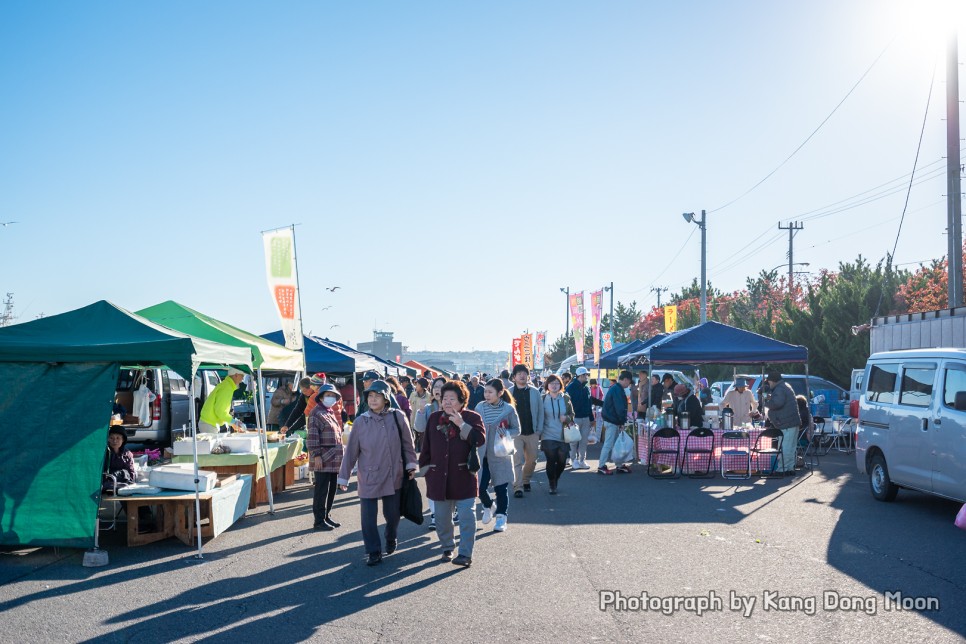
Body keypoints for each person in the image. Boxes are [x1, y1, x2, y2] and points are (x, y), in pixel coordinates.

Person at [338, 381, 418, 566]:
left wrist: (411, 465)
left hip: (393, 473)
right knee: (368, 518)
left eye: (377, 396)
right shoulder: (360, 421)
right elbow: (351, 452)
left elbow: (408, 444)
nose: (373, 400)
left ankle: (391, 537)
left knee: (392, 515)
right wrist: (344, 476)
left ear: (386, 398)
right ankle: (373, 551)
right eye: (370, 396)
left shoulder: (398, 417)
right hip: (368, 475)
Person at [419, 380, 486, 566]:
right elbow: (426, 447)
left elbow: (479, 440)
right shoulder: (434, 418)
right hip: (438, 477)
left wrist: (461, 424)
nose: (447, 402)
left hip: (464, 476)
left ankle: (465, 554)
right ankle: (447, 546)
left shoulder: (472, 417)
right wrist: (425, 470)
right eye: (444, 397)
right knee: (441, 519)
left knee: (466, 517)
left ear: (462, 400)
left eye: (452, 398)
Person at [474, 378, 520, 532]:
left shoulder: (508, 409)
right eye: (485, 391)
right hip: (481, 454)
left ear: (500, 393)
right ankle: (488, 505)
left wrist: (506, 432)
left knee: (501, 488)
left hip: (501, 453)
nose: (486, 395)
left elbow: (517, 429)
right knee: (479, 486)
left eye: (490, 392)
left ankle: (501, 518)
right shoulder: (480, 407)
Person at [308, 384, 344, 531]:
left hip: (333, 458)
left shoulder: (329, 412)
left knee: (331, 489)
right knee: (321, 490)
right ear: (321, 397)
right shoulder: (316, 413)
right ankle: (319, 520)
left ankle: (326, 515)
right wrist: (316, 455)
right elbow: (312, 437)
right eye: (328, 395)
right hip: (323, 458)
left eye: (333, 396)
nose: (331, 398)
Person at [414, 376, 446, 529]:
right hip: (432, 451)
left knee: (449, 481)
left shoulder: (455, 407)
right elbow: (419, 428)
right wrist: (420, 412)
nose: (438, 389)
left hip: (450, 452)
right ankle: (434, 515)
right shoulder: (428, 408)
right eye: (436, 386)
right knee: (432, 483)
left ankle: (449, 512)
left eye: (441, 386)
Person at [510, 364, 544, 498]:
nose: (522, 376)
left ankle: (526, 479)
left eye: (524, 373)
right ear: (514, 377)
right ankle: (518, 487)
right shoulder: (509, 392)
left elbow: (540, 412)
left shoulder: (535, 391)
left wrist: (539, 430)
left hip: (532, 431)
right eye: (519, 374)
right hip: (515, 433)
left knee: (532, 460)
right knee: (517, 460)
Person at [538, 374, 575, 494]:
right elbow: (538, 415)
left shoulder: (566, 398)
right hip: (547, 434)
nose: (554, 385)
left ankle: (556, 477)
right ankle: (552, 483)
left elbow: (572, 414)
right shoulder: (542, 398)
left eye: (557, 383)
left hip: (563, 434)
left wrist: (567, 418)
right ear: (547, 385)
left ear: (561, 385)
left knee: (562, 461)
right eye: (551, 383)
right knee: (551, 459)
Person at [763, 372, 801, 474]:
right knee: (791, 447)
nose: (769, 383)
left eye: (769, 381)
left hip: (786, 423)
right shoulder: (784, 386)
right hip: (791, 422)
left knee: (785, 447)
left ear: (773, 380)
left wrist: (765, 402)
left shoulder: (779, 389)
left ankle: (782, 469)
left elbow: (777, 403)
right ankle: (789, 468)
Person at [598, 370, 634, 475]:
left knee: (616, 444)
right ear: (626, 379)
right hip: (613, 420)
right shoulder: (618, 390)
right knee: (609, 444)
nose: (628, 384)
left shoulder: (615, 388)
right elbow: (620, 407)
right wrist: (622, 421)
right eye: (629, 382)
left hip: (612, 419)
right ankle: (601, 466)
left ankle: (619, 465)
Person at [565, 366, 599, 470]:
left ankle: (582, 460)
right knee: (574, 441)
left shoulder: (586, 388)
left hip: (585, 418)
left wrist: (591, 418)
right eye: (585, 375)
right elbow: (566, 404)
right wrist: (568, 419)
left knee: (584, 441)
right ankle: (574, 460)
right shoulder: (570, 387)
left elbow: (589, 403)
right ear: (581, 375)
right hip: (574, 418)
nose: (587, 377)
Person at [199, 367, 246, 433]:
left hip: (209, 423)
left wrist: (232, 422)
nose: (242, 379)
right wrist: (233, 422)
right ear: (236, 375)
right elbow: (220, 411)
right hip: (209, 424)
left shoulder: (226, 385)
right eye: (242, 376)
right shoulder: (227, 388)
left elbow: (221, 411)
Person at [280, 374, 325, 439]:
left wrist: (292, 428)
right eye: (302, 391)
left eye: (305, 391)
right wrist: (287, 425)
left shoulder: (316, 396)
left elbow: (306, 414)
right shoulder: (304, 396)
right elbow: (297, 410)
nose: (303, 393)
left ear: (311, 387)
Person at [103, 427, 136, 493]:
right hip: (107, 484)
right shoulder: (103, 454)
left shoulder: (127, 454)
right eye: (111, 438)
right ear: (108, 439)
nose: (114, 441)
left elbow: (131, 472)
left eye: (118, 438)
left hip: (124, 484)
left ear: (123, 440)